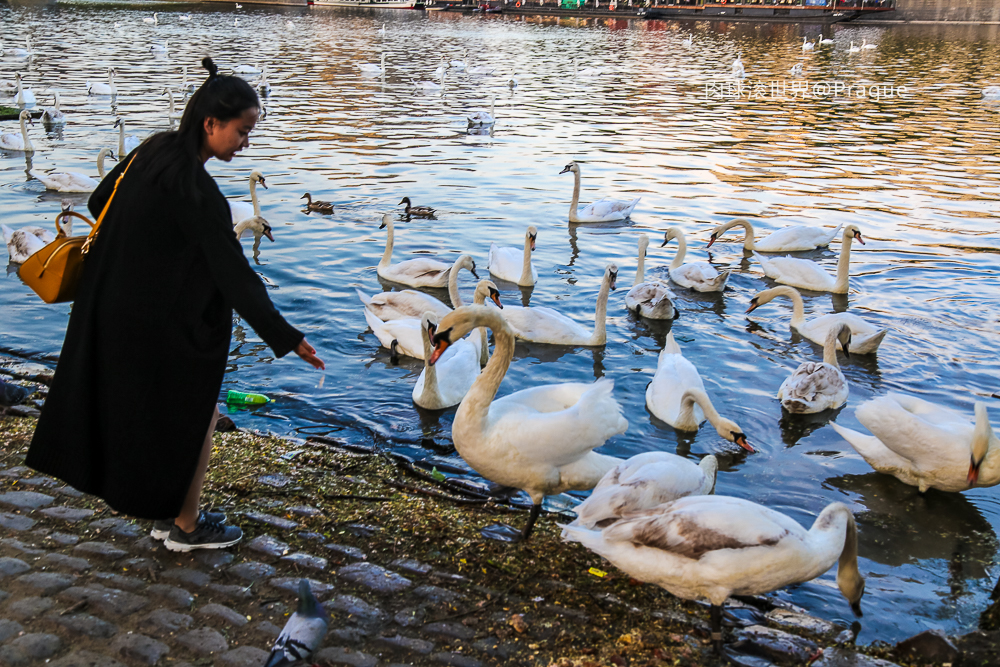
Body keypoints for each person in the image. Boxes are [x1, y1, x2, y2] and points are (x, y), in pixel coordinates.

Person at [25, 58, 324, 552]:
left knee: (164, 415)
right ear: (211, 123)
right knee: (193, 415)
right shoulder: (200, 193)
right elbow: (236, 277)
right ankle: (184, 526)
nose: (246, 141)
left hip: (111, 305)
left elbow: (101, 202)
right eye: (242, 130)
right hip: (159, 323)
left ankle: (169, 510)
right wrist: (288, 338)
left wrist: (155, 252)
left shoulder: (150, 152)